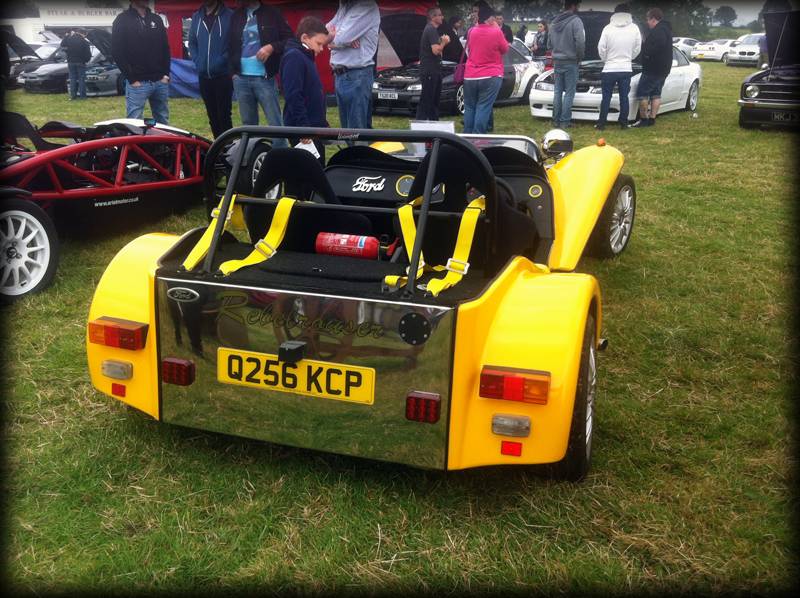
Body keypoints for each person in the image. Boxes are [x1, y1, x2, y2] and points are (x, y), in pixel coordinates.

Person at [229, 0, 292, 144]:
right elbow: (230, 45)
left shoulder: (272, 13)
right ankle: (251, 160)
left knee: (275, 124)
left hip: (264, 79)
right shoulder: (236, 15)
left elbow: (289, 39)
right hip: (241, 79)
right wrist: (233, 73)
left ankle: (281, 160)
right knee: (248, 126)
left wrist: (271, 47)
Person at [280, 16, 330, 164]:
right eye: (319, 44)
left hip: (313, 126)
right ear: (305, 38)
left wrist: (322, 122)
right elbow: (293, 94)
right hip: (303, 129)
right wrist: (303, 127)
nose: (321, 49)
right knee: (308, 171)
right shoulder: (294, 57)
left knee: (316, 169)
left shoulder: (306, 57)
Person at [112, 1, 171, 123]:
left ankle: (162, 143)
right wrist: (132, 78)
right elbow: (117, 51)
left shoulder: (156, 19)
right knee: (134, 122)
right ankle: (135, 143)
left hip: (160, 81)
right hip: (138, 83)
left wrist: (166, 74)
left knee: (163, 120)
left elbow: (165, 48)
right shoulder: (122, 20)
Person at [326, 0, 380, 130]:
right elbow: (323, 32)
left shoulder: (366, 5)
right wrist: (341, 41)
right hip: (342, 75)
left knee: (355, 132)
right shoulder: (345, 6)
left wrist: (334, 41)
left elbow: (340, 37)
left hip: (356, 75)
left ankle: (358, 151)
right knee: (347, 130)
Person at [188, 0, 234, 138]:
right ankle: (218, 148)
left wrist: (221, 61)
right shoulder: (197, 16)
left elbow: (235, 44)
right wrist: (197, 61)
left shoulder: (230, 16)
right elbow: (192, 42)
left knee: (224, 115)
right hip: (204, 75)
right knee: (212, 115)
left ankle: (229, 149)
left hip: (223, 75)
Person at [463, 3, 508, 134]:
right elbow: (505, 49)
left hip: (470, 75)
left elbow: (471, 48)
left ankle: (467, 135)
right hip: (490, 74)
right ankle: (478, 137)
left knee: (470, 107)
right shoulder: (496, 31)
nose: (494, 21)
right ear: (488, 19)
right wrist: (495, 28)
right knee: (483, 106)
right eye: (493, 18)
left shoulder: (471, 31)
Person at [595, 3, 641, 130]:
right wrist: (629, 58)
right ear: (628, 13)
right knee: (624, 97)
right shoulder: (634, 28)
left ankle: (601, 123)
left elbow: (601, 48)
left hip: (609, 68)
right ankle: (623, 123)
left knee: (606, 97)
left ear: (614, 14)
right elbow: (638, 48)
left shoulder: (608, 28)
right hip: (626, 68)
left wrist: (606, 59)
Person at [631, 7, 672, 127]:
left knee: (642, 94)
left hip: (652, 69)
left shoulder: (659, 31)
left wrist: (647, 54)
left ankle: (643, 120)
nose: (647, 22)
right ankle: (652, 119)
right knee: (656, 94)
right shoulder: (666, 29)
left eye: (648, 20)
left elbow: (657, 46)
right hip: (663, 69)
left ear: (653, 19)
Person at [548, 0, 585, 128]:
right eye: (578, 6)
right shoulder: (576, 21)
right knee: (569, 92)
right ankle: (565, 121)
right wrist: (579, 58)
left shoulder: (553, 22)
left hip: (557, 61)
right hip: (571, 61)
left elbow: (549, 44)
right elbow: (580, 42)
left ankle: (555, 120)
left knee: (557, 91)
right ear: (573, 6)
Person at [416, 7, 450, 121]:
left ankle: (433, 122)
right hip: (430, 70)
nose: (442, 17)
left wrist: (441, 42)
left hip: (434, 69)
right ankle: (421, 123)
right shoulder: (430, 29)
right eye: (439, 15)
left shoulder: (433, 31)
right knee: (427, 98)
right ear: (433, 17)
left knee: (434, 98)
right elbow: (435, 51)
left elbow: (438, 51)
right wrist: (444, 43)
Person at [61, 28, 91, 101]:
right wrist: (86, 60)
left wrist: (66, 36)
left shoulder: (69, 39)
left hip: (71, 62)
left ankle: (73, 96)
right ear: (83, 33)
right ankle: (83, 97)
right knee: (81, 79)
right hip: (81, 62)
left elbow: (62, 44)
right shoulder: (85, 42)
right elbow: (88, 54)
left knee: (73, 79)